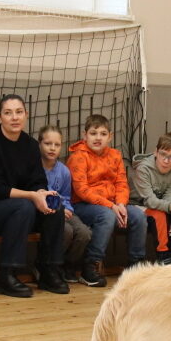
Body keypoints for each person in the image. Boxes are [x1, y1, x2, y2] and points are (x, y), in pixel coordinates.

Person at [0, 94, 68, 297]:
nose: (14, 117)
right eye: (8, 113)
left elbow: (37, 180)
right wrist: (31, 196)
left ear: (26, 115)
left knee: (55, 205)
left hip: (15, 209)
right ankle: (6, 275)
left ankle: (49, 271)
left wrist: (41, 193)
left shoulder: (30, 145)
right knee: (23, 206)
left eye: (19, 112)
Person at [67, 113, 146, 286]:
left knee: (138, 216)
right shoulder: (78, 157)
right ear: (84, 135)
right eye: (93, 133)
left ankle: (135, 266)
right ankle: (90, 266)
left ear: (110, 137)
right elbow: (82, 190)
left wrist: (121, 204)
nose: (98, 138)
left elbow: (121, 183)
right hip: (83, 205)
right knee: (107, 215)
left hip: (113, 205)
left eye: (103, 134)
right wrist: (111, 206)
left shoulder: (115, 155)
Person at [39, 125, 91, 283]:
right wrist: (59, 209)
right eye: (48, 144)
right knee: (66, 231)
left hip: (65, 210)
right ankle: (46, 265)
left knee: (84, 232)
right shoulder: (34, 168)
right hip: (46, 211)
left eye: (57, 145)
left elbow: (67, 197)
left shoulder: (64, 171)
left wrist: (66, 208)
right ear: (39, 144)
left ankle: (67, 266)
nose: (52, 148)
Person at [132, 133, 171, 264]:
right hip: (136, 204)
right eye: (163, 154)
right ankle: (163, 254)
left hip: (158, 203)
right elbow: (149, 200)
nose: (165, 160)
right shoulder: (143, 169)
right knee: (158, 215)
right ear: (156, 152)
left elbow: (169, 195)